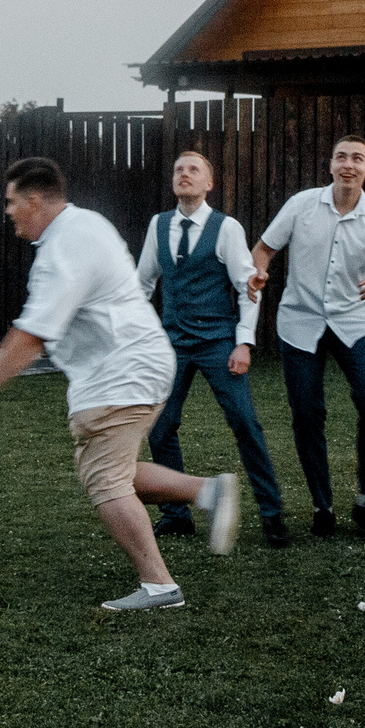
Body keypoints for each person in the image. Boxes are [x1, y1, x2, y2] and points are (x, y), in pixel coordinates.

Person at [0, 156, 241, 609]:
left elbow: (32, 335)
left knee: (106, 481)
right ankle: (207, 491)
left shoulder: (62, 248)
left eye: (12, 202)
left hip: (120, 373)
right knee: (115, 472)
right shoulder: (86, 224)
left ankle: (160, 586)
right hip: (137, 365)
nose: (8, 211)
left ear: (34, 200)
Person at [247, 134, 365, 538]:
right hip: (299, 321)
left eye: (357, 158)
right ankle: (321, 505)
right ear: (330, 165)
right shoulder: (301, 205)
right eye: (341, 157)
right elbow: (263, 250)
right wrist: (258, 273)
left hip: (354, 321)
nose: (348, 164)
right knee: (307, 412)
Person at [137, 150, 289, 546]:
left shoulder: (226, 228)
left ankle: (272, 515)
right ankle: (176, 515)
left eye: (193, 170)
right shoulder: (159, 224)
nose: (184, 175)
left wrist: (243, 343)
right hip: (171, 343)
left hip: (218, 341)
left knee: (244, 422)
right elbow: (141, 285)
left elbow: (248, 288)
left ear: (209, 183)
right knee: (161, 425)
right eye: (178, 169)